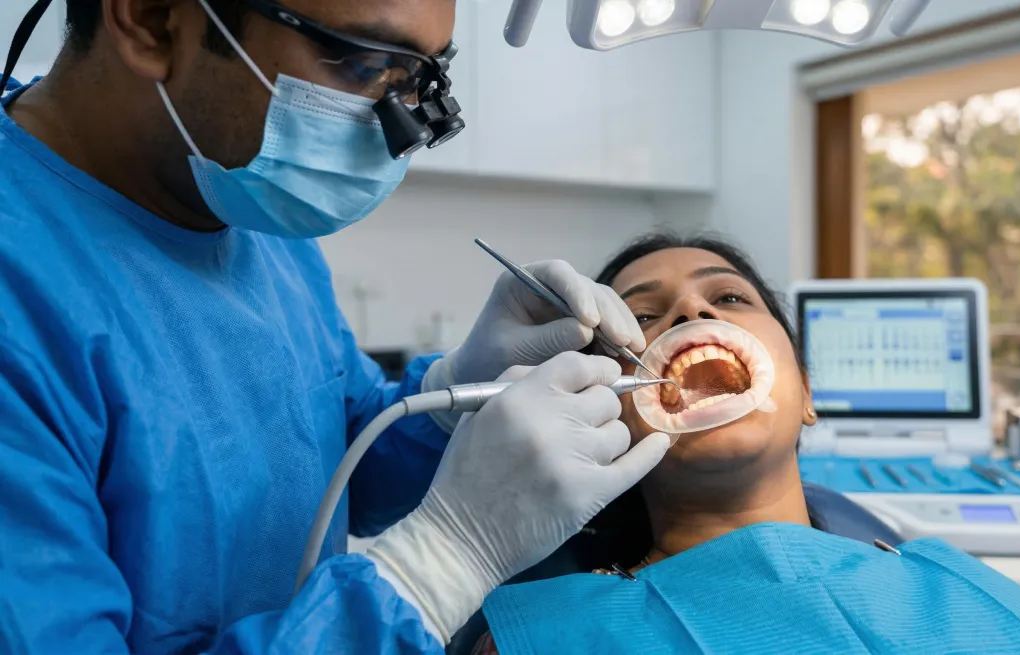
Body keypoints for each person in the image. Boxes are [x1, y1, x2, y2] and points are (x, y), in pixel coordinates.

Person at [0, 0, 671, 653]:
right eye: (363, 63)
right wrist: (439, 564)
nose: (398, 128)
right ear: (150, 19)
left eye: (418, 77)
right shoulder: (23, 293)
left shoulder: (238, 193)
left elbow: (330, 460)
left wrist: (455, 396)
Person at [470, 234, 1020, 654]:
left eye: (730, 298)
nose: (691, 307)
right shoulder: (541, 638)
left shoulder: (979, 596)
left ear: (806, 393)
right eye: (643, 317)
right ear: (610, 412)